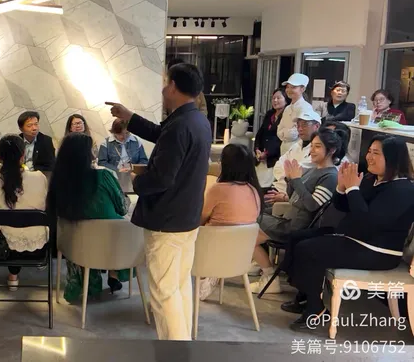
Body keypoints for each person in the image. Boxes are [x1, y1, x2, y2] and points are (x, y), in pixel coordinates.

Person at [106, 62, 212, 341]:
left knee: (164, 292)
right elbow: (161, 134)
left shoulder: (181, 125)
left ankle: (175, 350)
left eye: (166, 83)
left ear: (173, 86)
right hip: (186, 217)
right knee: (178, 286)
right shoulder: (197, 120)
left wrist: (134, 181)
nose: (163, 89)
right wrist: (130, 117)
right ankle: (183, 345)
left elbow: (161, 179)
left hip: (167, 220)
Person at [286, 135, 414, 331]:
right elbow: (343, 206)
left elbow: (369, 222)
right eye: (369, 151)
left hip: (379, 251)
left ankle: (315, 308)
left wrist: (353, 188)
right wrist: (341, 187)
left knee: (308, 249)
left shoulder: (404, 189)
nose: (369, 157)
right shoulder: (372, 180)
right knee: (297, 238)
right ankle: (306, 296)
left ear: (393, 159)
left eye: (376, 153)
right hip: (357, 239)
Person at [252, 128, 345, 294]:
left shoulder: (330, 177)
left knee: (250, 227)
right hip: (288, 220)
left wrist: (296, 180)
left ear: (331, 150)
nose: (312, 150)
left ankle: (267, 273)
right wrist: (290, 179)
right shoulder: (314, 170)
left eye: (318, 146)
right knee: (250, 224)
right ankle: (264, 269)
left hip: (297, 227)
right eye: (312, 146)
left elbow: (312, 205)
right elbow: (293, 196)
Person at [47, 133, 133, 301]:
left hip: (75, 247)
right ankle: (114, 274)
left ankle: (92, 280)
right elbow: (122, 208)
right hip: (112, 247)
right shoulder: (104, 176)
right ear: (87, 154)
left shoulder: (58, 182)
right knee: (120, 224)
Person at [0, 135, 49, 291]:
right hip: (40, 249)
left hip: (6, 252)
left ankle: (13, 276)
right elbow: (45, 209)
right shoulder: (40, 178)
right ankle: (33, 267)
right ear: (23, 156)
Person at [198, 144, 262, 300]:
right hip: (240, 256)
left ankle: (206, 278)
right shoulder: (254, 190)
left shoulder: (218, 189)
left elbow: (200, 219)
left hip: (209, 253)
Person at [266, 110, 322, 199]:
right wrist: (287, 175)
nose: (300, 129)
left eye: (304, 125)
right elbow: (278, 165)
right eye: (298, 125)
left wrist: (288, 175)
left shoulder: (319, 150)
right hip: (277, 187)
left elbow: (299, 170)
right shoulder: (296, 145)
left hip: (294, 195)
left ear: (317, 126)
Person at [277, 73, 315, 154]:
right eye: (288, 87)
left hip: (298, 149)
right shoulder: (287, 108)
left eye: (293, 87)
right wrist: (286, 133)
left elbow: (297, 132)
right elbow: (279, 130)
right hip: (284, 149)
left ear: (303, 89)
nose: (289, 90)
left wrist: (285, 133)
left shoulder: (305, 107)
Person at [255, 88, 289, 172]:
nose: (275, 100)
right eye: (273, 98)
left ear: (286, 100)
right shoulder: (269, 114)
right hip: (261, 158)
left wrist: (267, 153)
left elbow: (281, 139)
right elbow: (260, 133)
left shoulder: (287, 116)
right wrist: (257, 149)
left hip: (275, 159)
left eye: (278, 98)